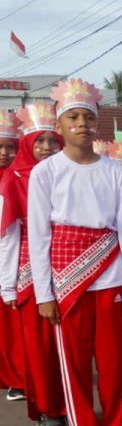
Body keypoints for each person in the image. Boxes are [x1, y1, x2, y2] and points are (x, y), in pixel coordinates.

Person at [27, 79, 122, 426]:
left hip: (110, 279)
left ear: (98, 124)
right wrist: (44, 293)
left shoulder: (114, 172)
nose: (81, 124)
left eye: (88, 117)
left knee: (111, 366)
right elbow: (39, 237)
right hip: (66, 282)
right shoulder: (45, 173)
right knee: (73, 366)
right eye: (73, 117)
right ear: (59, 125)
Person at [0, 101, 68, 426]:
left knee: (68, 346)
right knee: (40, 347)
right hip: (30, 269)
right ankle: (48, 409)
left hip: (71, 264)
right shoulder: (13, 180)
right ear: (28, 143)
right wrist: (8, 285)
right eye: (39, 141)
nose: (45, 147)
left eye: (52, 140)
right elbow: (9, 236)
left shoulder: (69, 173)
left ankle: (72, 405)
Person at [0, 111, 23, 401]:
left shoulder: (21, 179)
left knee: (13, 326)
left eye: (10, 147)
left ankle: (17, 376)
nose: (5, 153)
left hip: (15, 260)